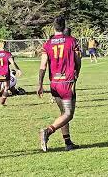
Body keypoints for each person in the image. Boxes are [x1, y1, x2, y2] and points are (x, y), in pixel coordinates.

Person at [37, 16, 81, 152]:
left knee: (62, 113)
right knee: (68, 114)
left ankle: (68, 142)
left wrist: (40, 84)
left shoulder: (48, 44)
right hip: (66, 82)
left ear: (53, 26)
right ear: (64, 25)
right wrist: (76, 73)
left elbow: (43, 66)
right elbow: (78, 60)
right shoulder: (71, 41)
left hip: (54, 83)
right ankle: (47, 131)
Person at [0, 40, 21, 105]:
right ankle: (2, 102)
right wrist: (18, 69)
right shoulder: (7, 54)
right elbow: (12, 63)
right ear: (5, 45)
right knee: (6, 88)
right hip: (5, 72)